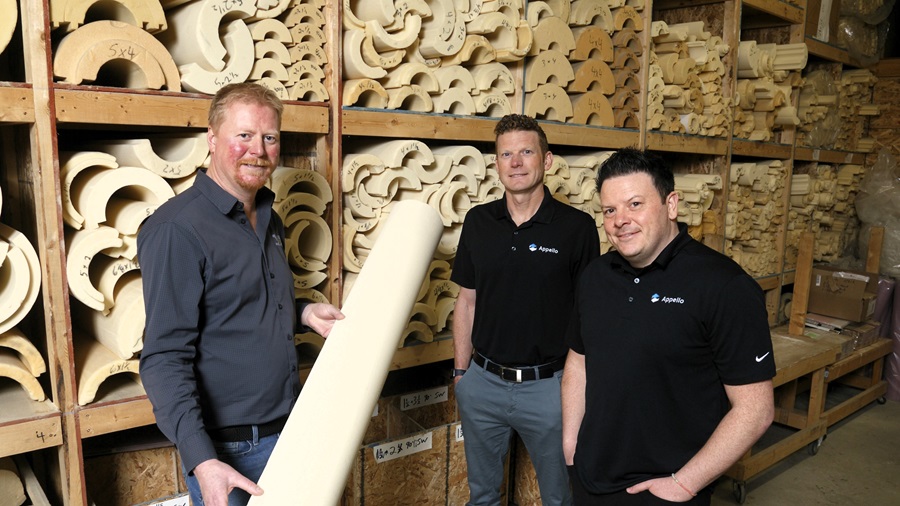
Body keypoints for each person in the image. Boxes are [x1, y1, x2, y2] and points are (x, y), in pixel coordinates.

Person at [138, 82, 344, 506]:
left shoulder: (269, 216)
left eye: (270, 138)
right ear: (212, 139)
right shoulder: (177, 230)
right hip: (232, 452)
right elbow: (163, 357)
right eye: (244, 136)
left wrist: (303, 312)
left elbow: (244, 304)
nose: (259, 150)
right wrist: (202, 461)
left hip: (291, 429)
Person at [561, 147, 775, 505]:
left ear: (671, 204)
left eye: (634, 204)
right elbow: (578, 360)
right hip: (591, 479)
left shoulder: (724, 286)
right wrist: (571, 445)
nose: (620, 220)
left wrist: (684, 484)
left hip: (667, 487)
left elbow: (755, 410)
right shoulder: (595, 276)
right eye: (609, 210)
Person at [451, 114, 600, 505]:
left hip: (549, 389)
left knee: (559, 497)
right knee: (481, 495)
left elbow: (589, 315)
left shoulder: (577, 228)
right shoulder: (478, 222)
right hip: (482, 382)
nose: (516, 162)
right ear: (496, 163)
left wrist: (574, 387)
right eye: (506, 154)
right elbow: (466, 300)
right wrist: (461, 373)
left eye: (526, 152)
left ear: (547, 161)